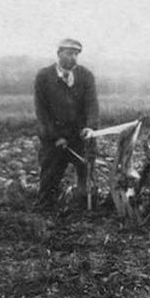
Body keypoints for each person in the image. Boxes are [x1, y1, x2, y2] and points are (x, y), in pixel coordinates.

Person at [34, 38, 99, 209]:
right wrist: (55, 137)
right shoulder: (44, 77)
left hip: (80, 136)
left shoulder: (86, 76)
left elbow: (92, 105)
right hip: (54, 138)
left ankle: (84, 210)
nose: (74, 58)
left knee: (86, 175)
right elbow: (42, 112)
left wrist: (90, 127)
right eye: (69, 53)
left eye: (76, 54)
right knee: (50, 177)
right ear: (59, 54)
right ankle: (45, 213)